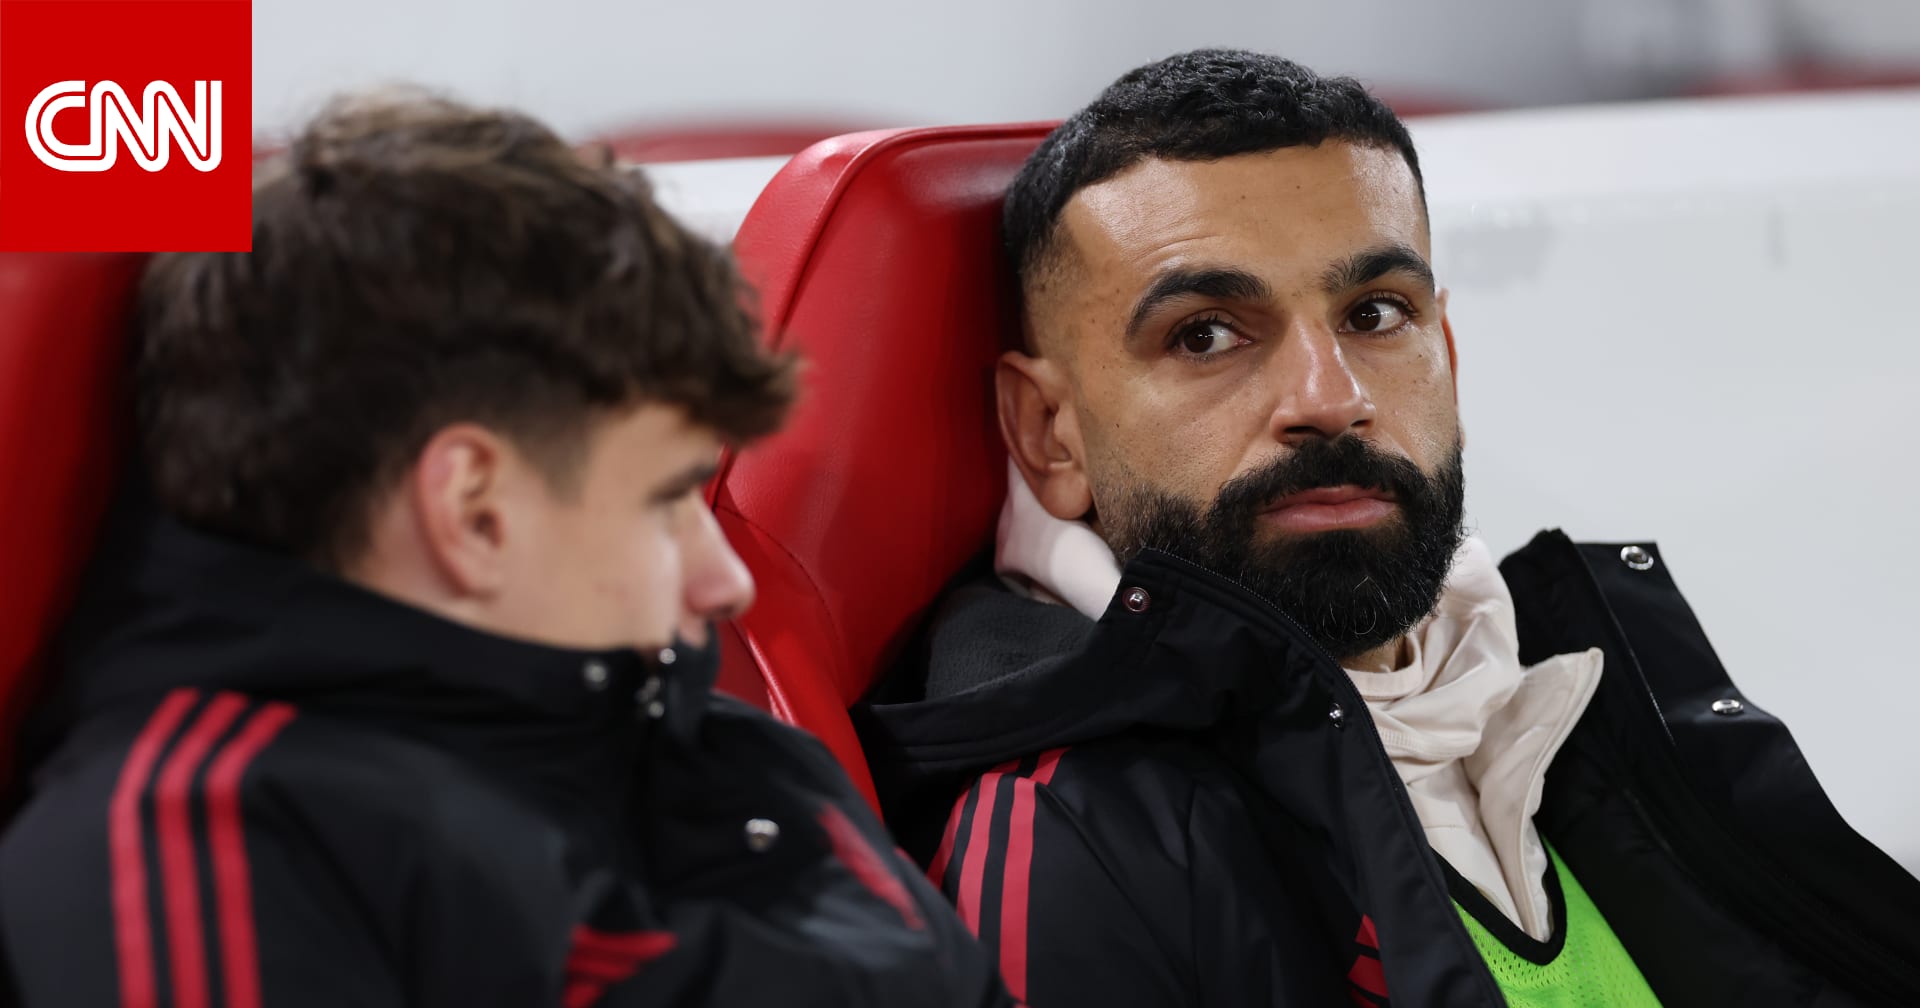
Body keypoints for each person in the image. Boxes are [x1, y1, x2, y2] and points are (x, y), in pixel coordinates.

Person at [857, 50, 1920, 1007]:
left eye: (1374, 314)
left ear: (1444, 352)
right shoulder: (1082, 842)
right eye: (1207, 334)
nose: (1332, 399)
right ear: (1050, 432)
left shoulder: (1559, 685)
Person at [0, 91, 1010, 1008]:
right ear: (473, 511)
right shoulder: (218, 835)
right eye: (666, 501)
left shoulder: (734, 751)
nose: (727, 581)